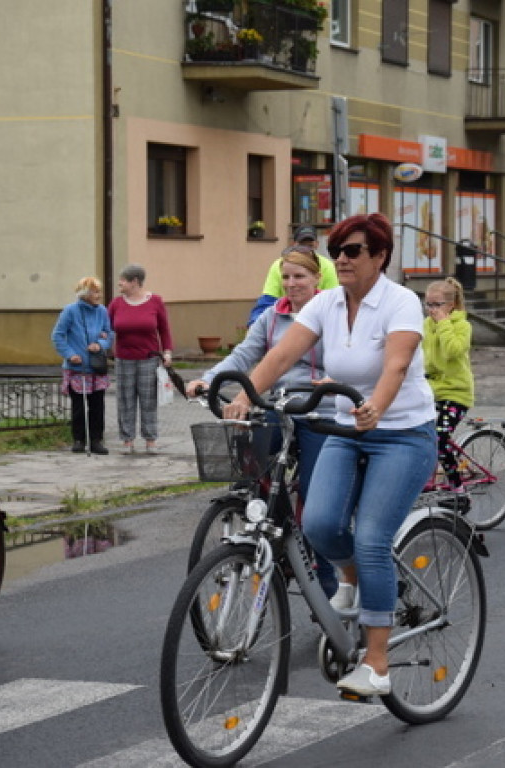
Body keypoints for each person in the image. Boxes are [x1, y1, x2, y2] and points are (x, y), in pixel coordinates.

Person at [223, 212, 437, 697]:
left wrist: (376, 407)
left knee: (373, 540)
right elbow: (278, 356)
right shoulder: (325, 304)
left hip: (402, 434)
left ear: (379, 256)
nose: (341, 258)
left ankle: (377, 664)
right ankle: (357, 580)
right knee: (318, 526)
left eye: (352, 251)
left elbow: (398, 364)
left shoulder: (400, 302)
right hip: (347, 429)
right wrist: (245, 396)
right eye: (337, 250)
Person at [185, 246, 338, 595]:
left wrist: (334, 384)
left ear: (317, 279)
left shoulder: (331, 314)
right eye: (285, 276)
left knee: (316, 501)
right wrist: (208, 380)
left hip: (319, 410)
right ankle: (268, 523)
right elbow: (244, 354)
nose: (291, 283)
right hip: (280, 405)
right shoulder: (272, 316)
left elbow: (344, 360)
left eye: (299, 276)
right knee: (250, 457)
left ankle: (327, 580)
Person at [108, 264, 173, 453]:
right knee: (125, 400)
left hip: (149, 358)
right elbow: (107, 327)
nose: (119, 283)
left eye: (123, 280)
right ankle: (127, 440)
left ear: (134, 282)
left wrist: (167, 352)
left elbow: (164, 329)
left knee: (148, 400)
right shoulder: (116, 304)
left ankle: (150, 439)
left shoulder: (155, 302)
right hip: (123, 359)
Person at [422, 277, 474, 495]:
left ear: (451, 305)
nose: (432, 310)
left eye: (437, 305)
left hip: (456, 392)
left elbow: (453, 350)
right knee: (419, 434)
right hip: (430, 389)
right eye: (428, 304)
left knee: (440, 437)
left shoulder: (462, 326)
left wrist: (444, 324)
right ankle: (425, 478)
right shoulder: (426, 325)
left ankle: (457, 486)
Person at [52, 277, 113, 455]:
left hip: (96, 367)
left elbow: (109, 334)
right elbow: (57, 335)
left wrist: (100, 345)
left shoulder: (102, 311)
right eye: (94, 291)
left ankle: (96, 440)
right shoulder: (70, 311)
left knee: (97, 405)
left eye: (99, 291)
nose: (98, 295)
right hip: (76, 368)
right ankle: (78, 439)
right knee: (78, 407)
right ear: (84, 293)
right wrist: (70, 355)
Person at [247, 225, 339, 324]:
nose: (291, 283)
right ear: (294, 244)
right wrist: (256, 326)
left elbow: (332, 302)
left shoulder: (328, 266)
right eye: (302, 245)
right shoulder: (278, 264)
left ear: (317, 244)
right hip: (284, 317)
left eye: (310, 245)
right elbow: (267, 301)